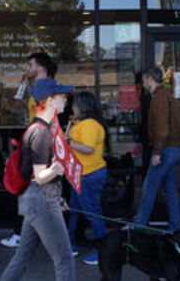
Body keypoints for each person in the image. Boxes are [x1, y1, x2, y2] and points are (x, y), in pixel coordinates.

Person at [0, 77, 76, 281]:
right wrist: (58, 168)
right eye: (61, 95)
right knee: (65, 259)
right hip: (41, 201)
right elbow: (41, 176)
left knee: (22, 257)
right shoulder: (41, 132)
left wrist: (58, 198)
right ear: (49, 100)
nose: (65, 98)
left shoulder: (39, 127)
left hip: (35, 200)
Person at [2, 52, 57, 249]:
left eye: (29, 65)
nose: (27, 69)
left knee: (33, 189)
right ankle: (26, 234)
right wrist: (23, 86)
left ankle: (24, 234)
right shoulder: (36, 88)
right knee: (33, 190)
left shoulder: (47, 87)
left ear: (40, 67)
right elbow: (18, 108)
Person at [133, 65, 180, 232]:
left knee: (149, 187)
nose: (142, 84)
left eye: (143, 80)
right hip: (175, 148)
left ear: (149, 79)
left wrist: (157, 152)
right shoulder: (167, 95)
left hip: (166, 150)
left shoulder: (159, 98)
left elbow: (162, 128)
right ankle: (174, 228)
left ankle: (139, 227)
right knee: (169, 188)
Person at [66, 90, 107, 266]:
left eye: (75, 104)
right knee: (74, 210)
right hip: (80, 173)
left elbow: (88, 148)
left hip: (88, 174)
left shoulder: (90, 125)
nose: (72, 107)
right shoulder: (83, 123)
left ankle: (102, 251)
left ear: (82, 106)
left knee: (92, 213)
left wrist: (69, 142)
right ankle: (69, 245)